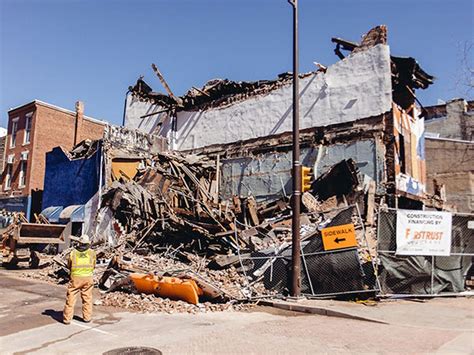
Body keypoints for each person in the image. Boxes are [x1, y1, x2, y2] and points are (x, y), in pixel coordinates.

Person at [63, 234, 96, 324]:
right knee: (87, 298)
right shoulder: (92, 253)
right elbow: (94, 265)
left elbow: (69, 265)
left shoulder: (73, 253)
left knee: (71, 298)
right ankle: (87, 317)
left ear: (79, 243)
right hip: (88, 277)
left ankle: (67, 319)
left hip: (76, 278)